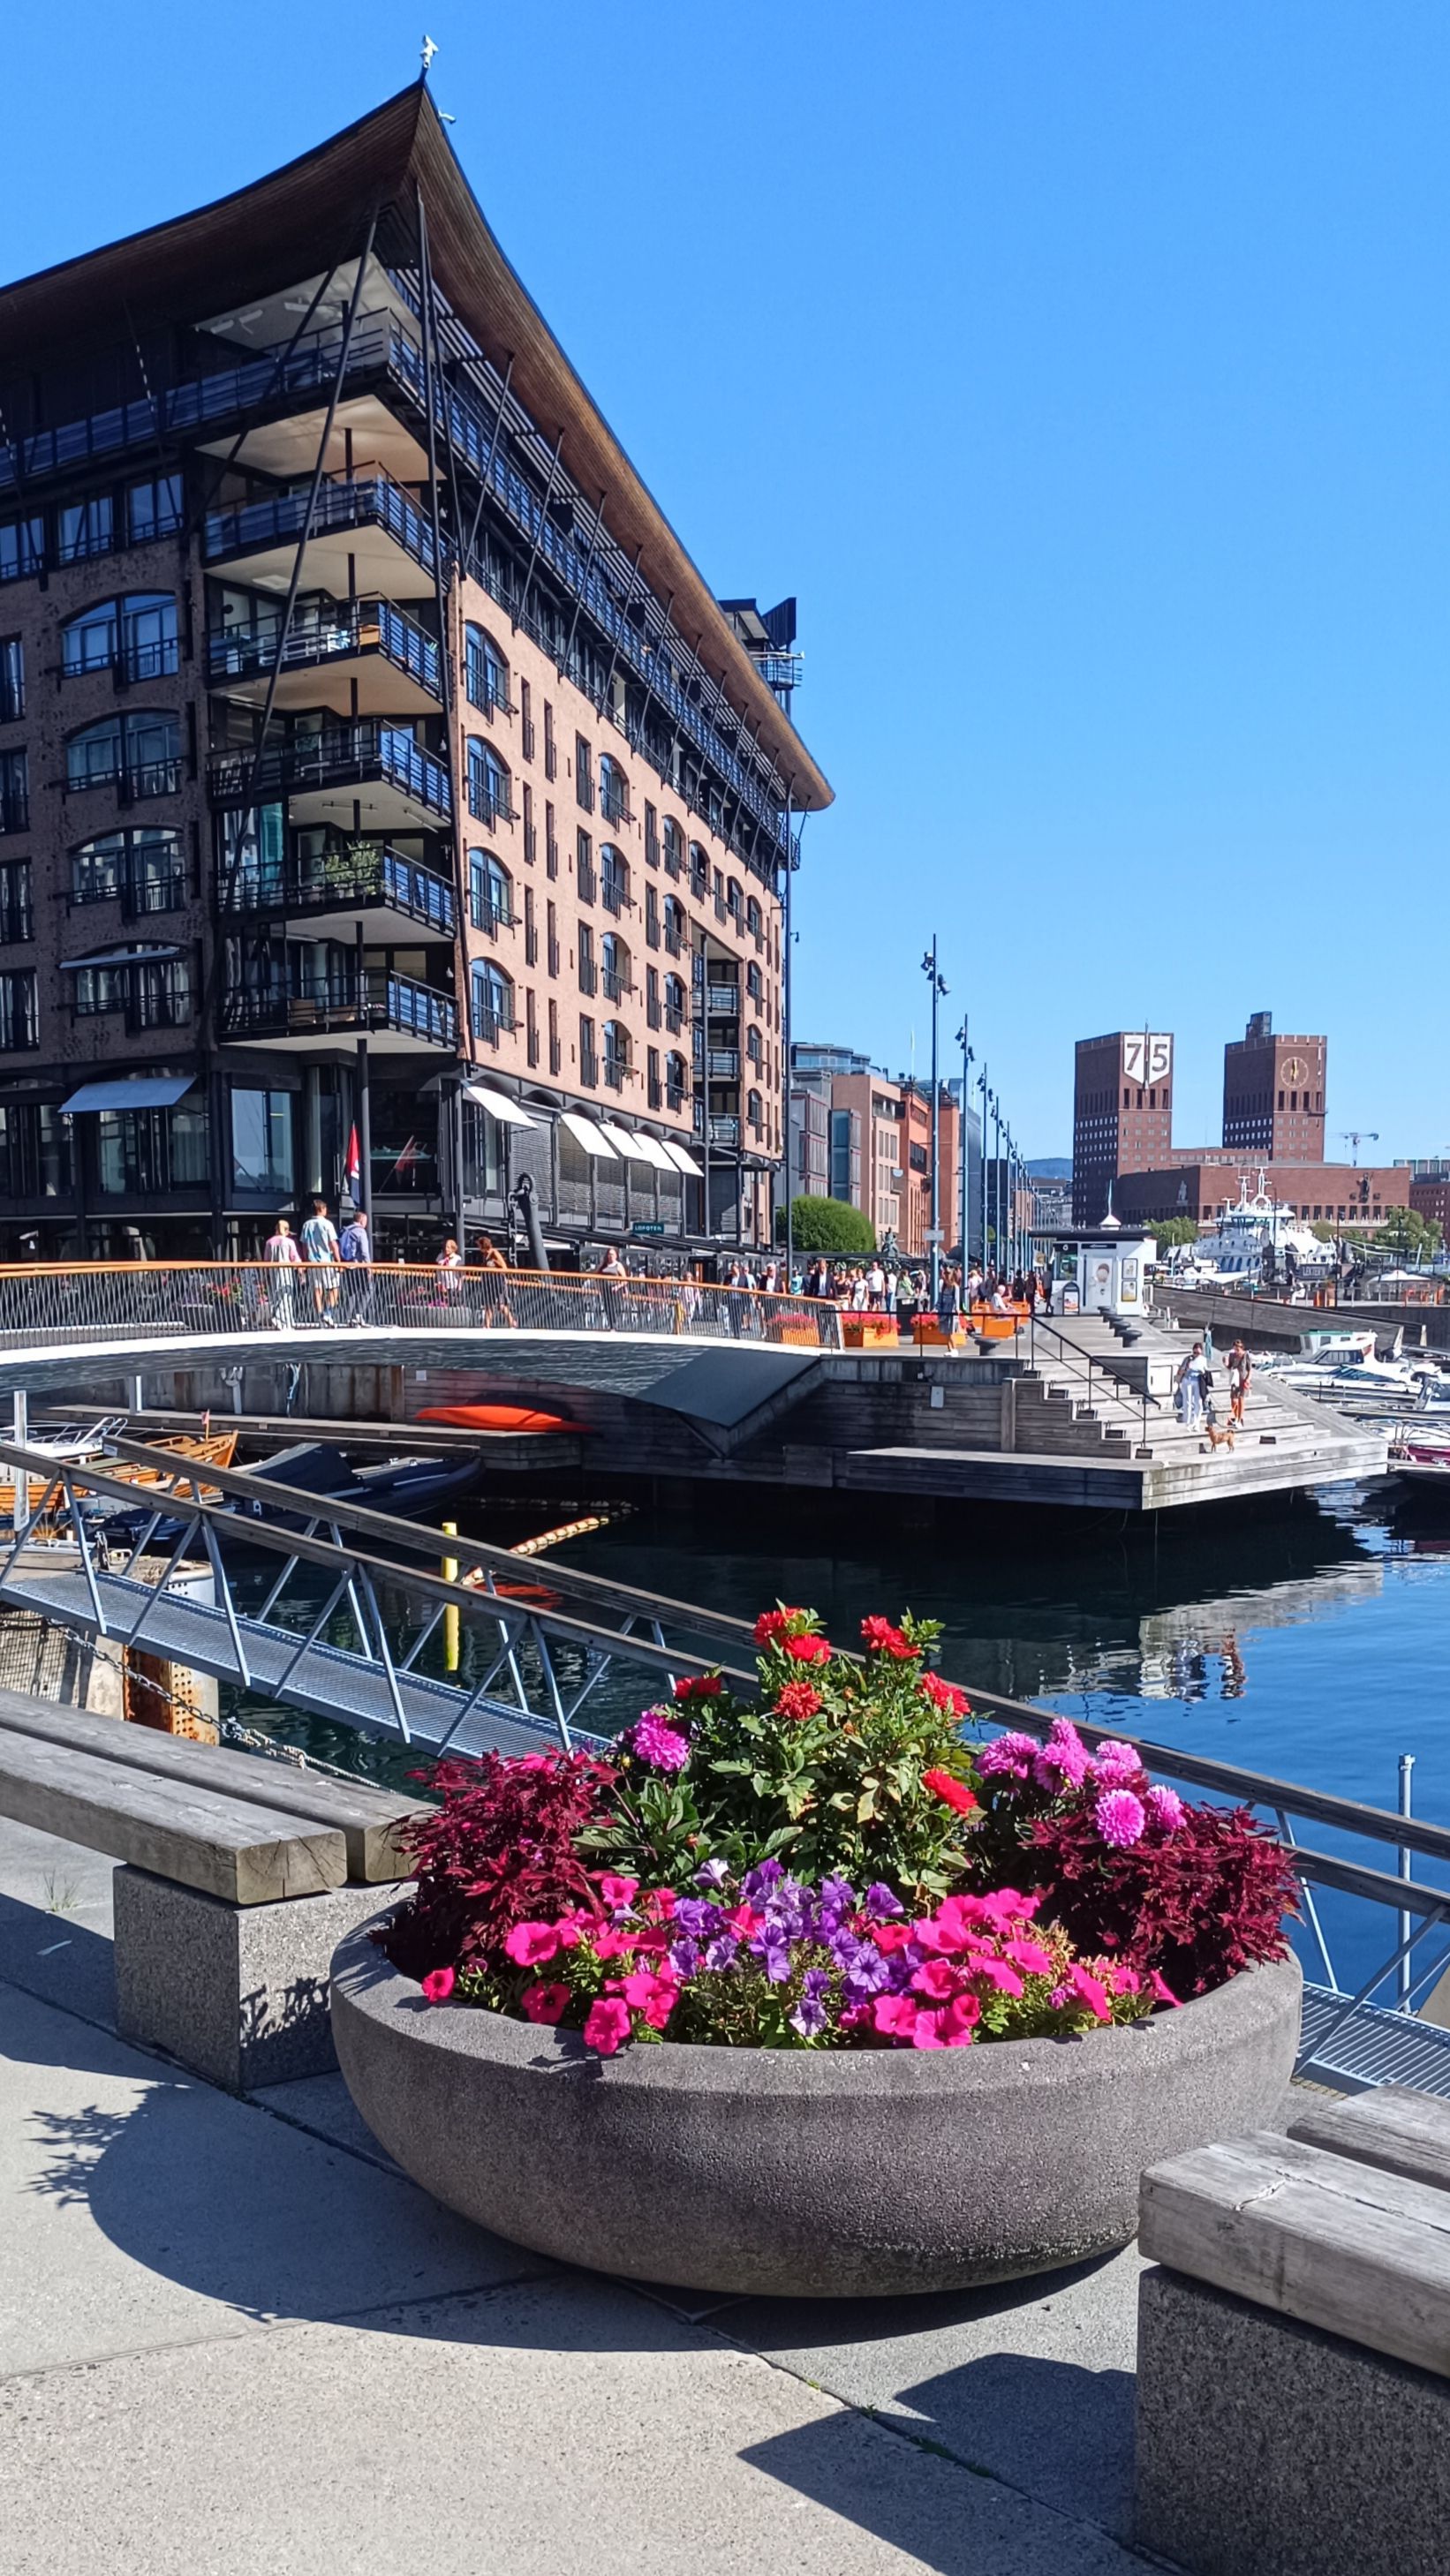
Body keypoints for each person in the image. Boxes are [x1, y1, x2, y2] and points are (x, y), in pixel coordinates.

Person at [299, 1195, 340, 1327]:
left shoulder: (306, 1225)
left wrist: (306, 1259)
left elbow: (304, 1246)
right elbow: (333, 1243)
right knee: (334, 1288)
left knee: (317, 1290)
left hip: (312, 1262)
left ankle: (320, 1315)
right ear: (321, 1209)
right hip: (326, 1261)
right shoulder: (327, 1224)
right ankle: (328, 1312)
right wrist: (338, 1261)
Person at [264, 1216, 301, 1330]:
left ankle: (276, 1317)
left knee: (275, 1295)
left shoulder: (269, 1242)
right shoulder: (289, 1242)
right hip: (285, 1271)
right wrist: (300, 1270)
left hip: (273, 1271)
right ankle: (286, 1321)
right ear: (286, 1230)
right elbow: (294, 1257)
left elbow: (266, 1259)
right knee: (286, 1295)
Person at [338, 1204, 372, 1323]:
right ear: (362, 1220)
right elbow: (364, 1252)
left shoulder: (346, 1230)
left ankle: (347, 1317)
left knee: (352, 1291)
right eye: (366, 1221)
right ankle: (358, 1314)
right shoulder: (360, 1232)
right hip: (359, 1266)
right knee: (368, 1290)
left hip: (347, 1265)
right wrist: (368, 1267)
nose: (366, 1223)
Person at [1174, 1340, 1207, 1428]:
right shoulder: (1188, 1359)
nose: (1196, 1355)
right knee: (1187, 1401)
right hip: (1187, 1380)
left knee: (1198, 1402)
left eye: (1198, 1353)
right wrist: (1187, 1369)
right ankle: (1187, 1421)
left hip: (1198, 1381)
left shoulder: (1203, 1360)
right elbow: (1180, 1371)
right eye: (1195, 1352)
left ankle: (1196, 1421)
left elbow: (1205, 1371)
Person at [1227, 1337, 1252, 1425]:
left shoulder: (1246, 1355)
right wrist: (1226, 1363)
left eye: (1237, 1349)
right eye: (1234, 1349)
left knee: (1241, 1399)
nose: (1236, 1351)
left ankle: (1240, 1419)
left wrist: (1248, 1379)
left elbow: (1249, 1369)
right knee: (1233, 1399)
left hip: (1243, 1379)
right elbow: (1229, 1367)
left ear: (1241, 1348)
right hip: (1235, 1379)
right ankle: (1235, 1415)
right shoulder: (1232, 1356)